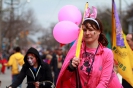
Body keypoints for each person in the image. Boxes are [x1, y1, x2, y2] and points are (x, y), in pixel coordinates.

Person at [56, 6, 123, 88]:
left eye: (91, 30)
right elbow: (65, 78)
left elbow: (104, 81)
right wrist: (71, 67)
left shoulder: (107, 53)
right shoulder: (76, 51)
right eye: (84, 30)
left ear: (99, 31)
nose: (87, 33)